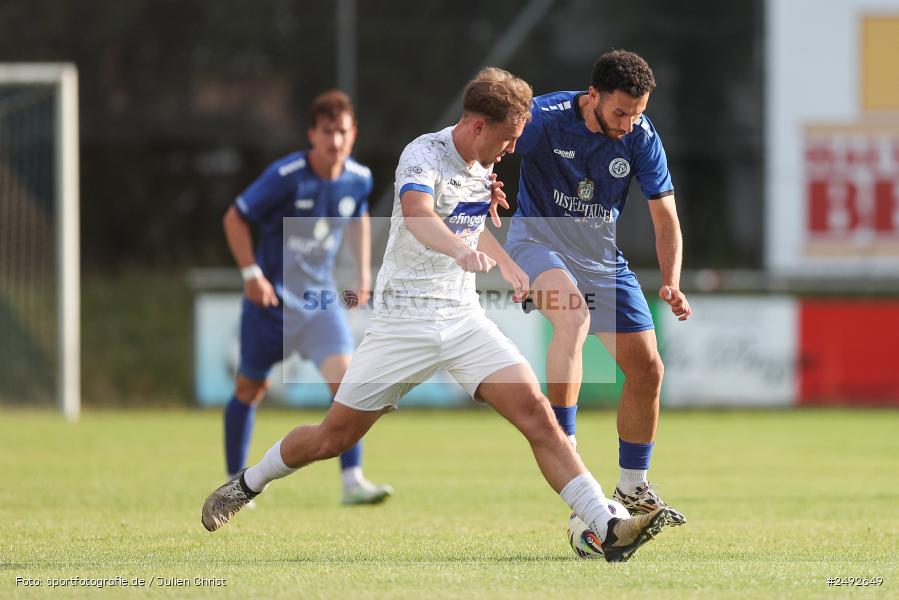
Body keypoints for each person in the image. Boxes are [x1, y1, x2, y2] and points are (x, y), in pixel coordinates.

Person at [202, 67, 672, 563]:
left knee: (536, 412)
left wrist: (508, 264)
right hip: (404, 324)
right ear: (477, 127)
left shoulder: (482, 165)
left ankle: (605, 524)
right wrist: (460, 251)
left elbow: (469, 224)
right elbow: (418, 214)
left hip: (464, 319)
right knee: (331, 437)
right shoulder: (423, 154)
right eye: (509, 138)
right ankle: (249, 483)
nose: (514, 149)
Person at [500, 50, 691, 524]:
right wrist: (481, 182)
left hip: (600, 257)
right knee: (573, 316)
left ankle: (632, 488)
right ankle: (569, 454)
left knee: (648, 368)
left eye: (638, 113)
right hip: (537, 241)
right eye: (620, 112)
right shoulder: (543, 117)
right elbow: (490, 143)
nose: (628, 123)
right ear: (593, 97)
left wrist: (671, 282)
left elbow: (665, 216)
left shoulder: (641, 137)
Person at [220, 89, 392, 505]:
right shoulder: (287, 176)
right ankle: (234, 482)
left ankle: (352, 481)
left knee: (349, 386)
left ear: (354, 135)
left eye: (343, 132)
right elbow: (235, 217)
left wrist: (363, 270)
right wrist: (250, 274)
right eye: (327, 131)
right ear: (312, 134)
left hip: (319, 304)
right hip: (271, 303)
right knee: (249, 389)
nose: (335, 141)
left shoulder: (359, 178)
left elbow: (358, 216)